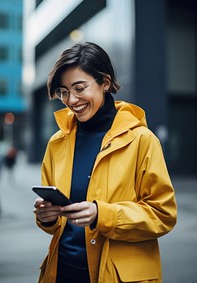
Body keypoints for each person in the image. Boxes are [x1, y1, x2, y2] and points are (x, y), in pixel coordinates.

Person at [33, 42, 177, 283]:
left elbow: (163, 215)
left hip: (118, 276)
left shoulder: (142, 140)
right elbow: (57, 225)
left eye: (79, 88)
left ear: (105, 83)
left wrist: (102, 214)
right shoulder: (56, 143)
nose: (71, 100)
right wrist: (47, 217)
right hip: (63, 271)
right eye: (64, 92)